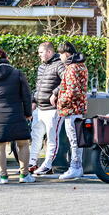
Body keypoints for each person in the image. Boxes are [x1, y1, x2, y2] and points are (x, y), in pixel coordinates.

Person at [0, 49, 35, 184]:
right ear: (7, 58)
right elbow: (26, 96)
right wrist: (28, 113)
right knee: (23, 144)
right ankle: (24, 175)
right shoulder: (17, 73)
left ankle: (3, 177)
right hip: (16, 113)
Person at [55, 41, 88, 180]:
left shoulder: (72, 68)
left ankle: (75, 167)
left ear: (66, 54)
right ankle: (77, 167)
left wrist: (60, 102)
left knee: (73, 139)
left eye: (60, 54)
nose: (60, 57)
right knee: (76, 139)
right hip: (77, 108)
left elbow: (72, 91)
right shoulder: (81, 66)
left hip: (71, 109)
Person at [32, 42, 65, 176]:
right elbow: (38, 86)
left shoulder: (59, 65)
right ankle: (32, 162)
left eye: (41, 52)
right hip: (39, 108)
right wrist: (33, 100)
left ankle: (47, 164)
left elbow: (66, 81)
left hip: (53, 109)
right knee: (36, 136)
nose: (39, 55)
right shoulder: (41, 67)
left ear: (49, 52)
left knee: (52, 138)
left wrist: (55, 93)